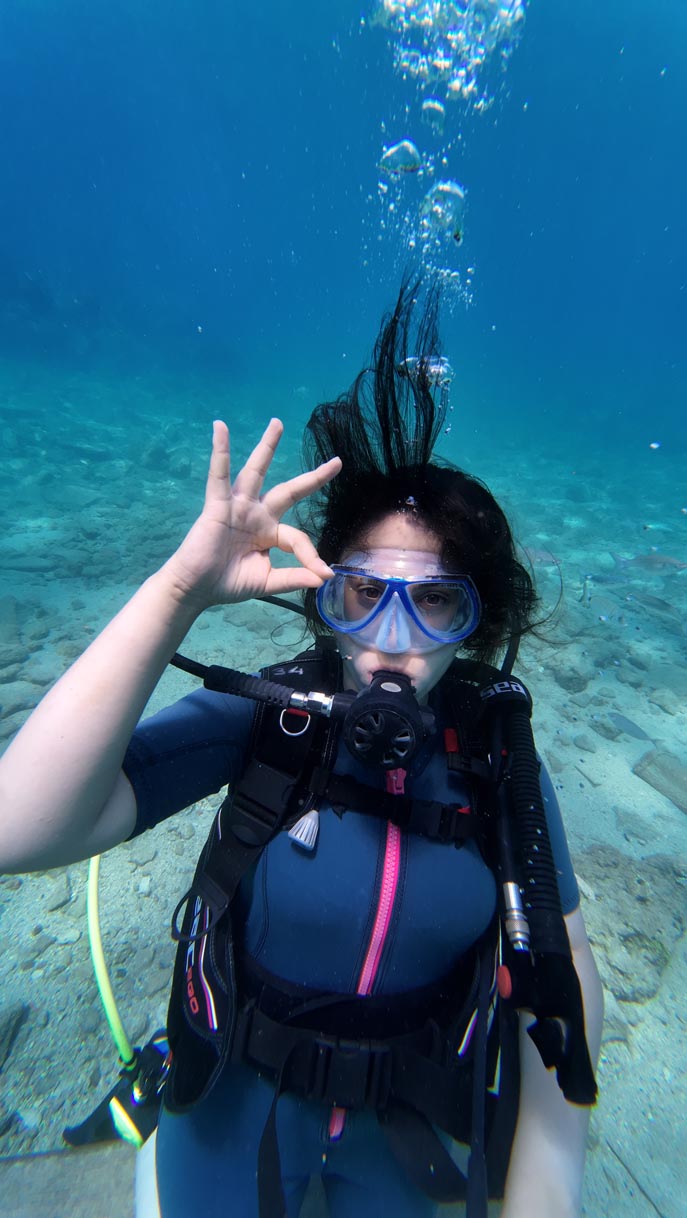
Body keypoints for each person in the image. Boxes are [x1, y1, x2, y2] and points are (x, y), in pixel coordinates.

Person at [0, 282, 603, 1218]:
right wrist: (178, 591)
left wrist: (548, 1170)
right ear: (325, 596)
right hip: (233, 1100)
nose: (394, 641)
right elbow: (16, 829)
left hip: (412, 1122)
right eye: (363, 595)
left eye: (435, 602)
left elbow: (560, 964)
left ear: (475, 624)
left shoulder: (494, 756)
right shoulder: (277, 719)